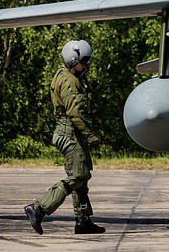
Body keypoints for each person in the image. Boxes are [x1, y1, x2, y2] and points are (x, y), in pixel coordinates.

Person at [24, 40, 105, 235]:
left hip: (71, 133)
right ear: (73, 58)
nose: (85, 65)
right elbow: (75, 112)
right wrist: (90, 135)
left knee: (82, 178)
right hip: (71, 134)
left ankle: (83, 221)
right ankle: (38, 208)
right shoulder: (69, 80)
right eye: (83, 61)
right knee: (77, 176)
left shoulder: (67, 76)